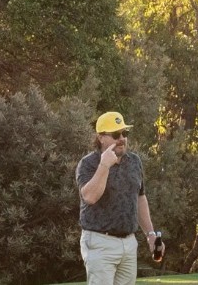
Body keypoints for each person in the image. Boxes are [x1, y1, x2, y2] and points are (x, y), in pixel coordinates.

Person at [77, 111, 161, 285]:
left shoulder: (134, 162)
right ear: (101, 138)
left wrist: (150, 235)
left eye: (124, 133)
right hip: (99, 242)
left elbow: (140, 198)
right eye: (116, 134)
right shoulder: (88, 163)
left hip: (129, 244)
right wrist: (104, 165)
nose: (122, 138)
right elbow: (90, 197)